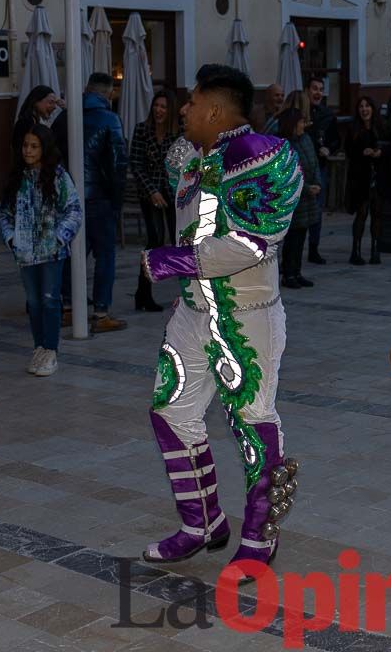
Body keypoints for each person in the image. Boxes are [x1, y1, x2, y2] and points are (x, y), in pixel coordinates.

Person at [140, 64, 302, 576]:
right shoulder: (187, 155)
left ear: (214, 109)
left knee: (253, 421)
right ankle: (203, 524)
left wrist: (171, 261)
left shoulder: (262, 157)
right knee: (171, 411)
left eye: (191, 102)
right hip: (191, 312)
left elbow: (253, 244)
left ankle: (259, 534)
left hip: (247, 317)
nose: (182, 109)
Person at [0, 124, 81, 377]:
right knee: (33, 302)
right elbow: (4, 212)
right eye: (25, 145)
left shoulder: (58, 176)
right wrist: (12, 239)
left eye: (34, 146)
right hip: (25, 254)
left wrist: (58, 238)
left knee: (49, 299)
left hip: (52, 253)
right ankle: (39, 348)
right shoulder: (17, 178)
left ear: (44, 148)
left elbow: (74, 210)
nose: (28, 150)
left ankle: (51, 350)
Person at [63, 72, 128, 333]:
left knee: (72, 255)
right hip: (99, 198)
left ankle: (68, 307)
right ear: (108, 93)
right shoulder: (109, 119)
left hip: (70, 198)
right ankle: (101, 311)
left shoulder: (67, 118)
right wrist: (116, 201)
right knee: (105, 256)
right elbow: (117, 164)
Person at [129, 90, 179, 312]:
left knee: (179, 241)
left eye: (163, 107)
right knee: (155, 240)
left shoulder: (177, 134)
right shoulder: (142, 130)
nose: (159, 110)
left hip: (171, 193)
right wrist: (151, 191)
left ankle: (185, 294)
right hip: (150, 194)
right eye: (156, 106)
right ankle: (144, 292)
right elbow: (136, 164)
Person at [345, 96, 391, 266]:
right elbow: (349, 150)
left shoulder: (381, 126)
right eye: (361, 106)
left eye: (367, 106)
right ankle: (355, 251)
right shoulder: (354, 129)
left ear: (373, 108)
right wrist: (361, 152)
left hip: (378, 176)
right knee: (362, 212)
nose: (364, 110)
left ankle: (375, 249)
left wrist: (380, 152)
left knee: (377, 213)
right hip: (360, 177)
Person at [279, 107, 319, 289]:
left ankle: (297, 271)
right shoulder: (285, 145)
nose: (304, 125)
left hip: (309, 197)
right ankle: (288, 274)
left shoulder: (306, 140)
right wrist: (306, 189)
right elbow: (289, 174)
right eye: (301, 122)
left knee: (302, 235)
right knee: (293, 238)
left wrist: (317, 183)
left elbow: (314, 162)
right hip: (294, 198)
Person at [305, 75, 339, 265]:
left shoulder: (327, 115)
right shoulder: (301, 113)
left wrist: (330, 149)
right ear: (307, 91)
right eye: (314, 88)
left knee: (317, 209)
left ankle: (313, 249)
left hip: (320, 167)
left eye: (320, 89)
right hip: (301, 167)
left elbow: (336, 140)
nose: (317, 92)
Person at [12, 85, 69, 163]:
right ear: (36, 101)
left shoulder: (36, 121)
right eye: (50, 102)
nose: (55, 107)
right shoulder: (26, 123)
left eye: (55, 103)